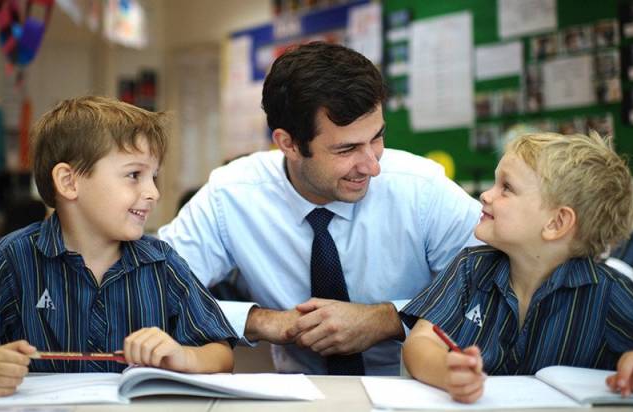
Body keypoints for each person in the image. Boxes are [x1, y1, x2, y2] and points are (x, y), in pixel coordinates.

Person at [158, 41, 482, 375]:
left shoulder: (421, 189)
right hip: (298, 391)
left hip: (417, 387)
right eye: (347, 150)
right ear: (288, 144)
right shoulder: (231, 195)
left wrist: (387, 319)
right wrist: (260, 321)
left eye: (377, 137)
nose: (372, 166)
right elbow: (151, 289)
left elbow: (493, 286)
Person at [0, 96, 236, 397]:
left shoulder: (162, 263)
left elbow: (220, 353)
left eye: (153, 177)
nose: (153, 192)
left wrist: (184, 356)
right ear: (69, 182)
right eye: (134, 175)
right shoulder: (12, 259)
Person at [400, 132, 633, 403]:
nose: (485, 195)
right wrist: (446, 372)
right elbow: (420, 342)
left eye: (506, 187)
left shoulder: (606, 292)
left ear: (556, 223)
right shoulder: (470, 268)